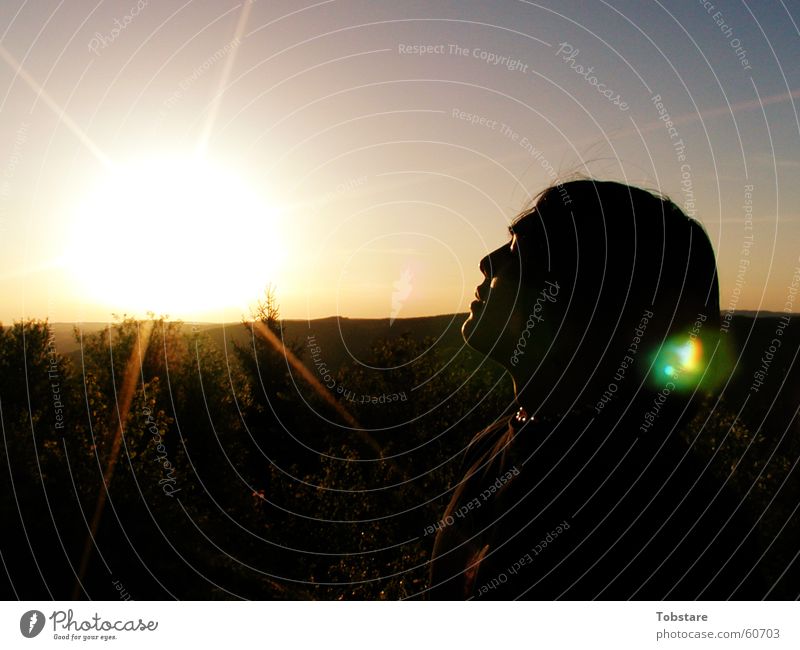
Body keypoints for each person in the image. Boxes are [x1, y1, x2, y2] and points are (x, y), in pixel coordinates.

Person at [427, 179, 759, 599]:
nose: (487, 263)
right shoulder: (489, 446)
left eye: (518, 251)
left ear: (588, 295)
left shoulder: (674, 515)